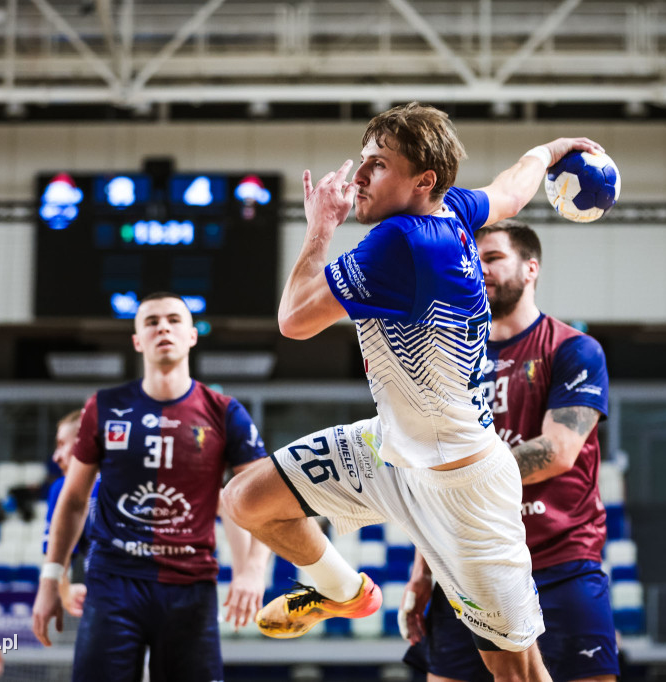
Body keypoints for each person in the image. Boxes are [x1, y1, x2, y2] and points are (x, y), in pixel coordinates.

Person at [222, 101, 604, 682]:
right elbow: (509, 190)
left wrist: (320, 227)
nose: (357, 178)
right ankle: (343, 592)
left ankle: (342, 588)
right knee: (247, 499)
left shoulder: (402, 241)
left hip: (464, 487)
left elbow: (294, 319)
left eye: (376, 165)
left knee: (519, 675)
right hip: (391, 449)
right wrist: (551, 153)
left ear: (422, 180)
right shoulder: (452, 208)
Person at [399, 220, 616, 682]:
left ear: (531, 268)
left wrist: (459, 474)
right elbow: (429, 473)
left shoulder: (574, 350)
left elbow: (558, 451)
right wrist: (422, 571)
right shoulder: (446, 362)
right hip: (464, 569)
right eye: (472, 259)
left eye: (493, 257)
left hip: (559, 564)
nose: (480, 268)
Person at [32, 292, 272, 682]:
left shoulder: (226, 412)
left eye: (175, 320)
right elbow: (73, 499)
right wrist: (50, 580)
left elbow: (266, 499)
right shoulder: (103, 407)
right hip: (113, 584)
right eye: (152, 321)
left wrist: (252, 571)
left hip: (191, 586)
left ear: (192, 336)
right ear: (137, 341)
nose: (163, 327)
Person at [42, 408, 96, 617]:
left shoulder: (64, 488)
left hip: (112, 615)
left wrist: (65, 592)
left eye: (62, 444)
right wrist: (65, 590)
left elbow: (56, 558)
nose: (56, 457)